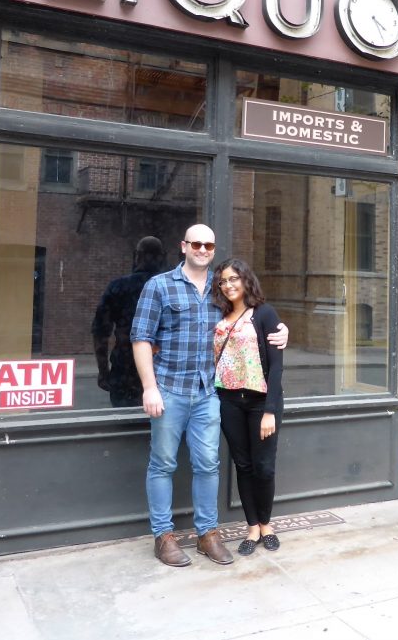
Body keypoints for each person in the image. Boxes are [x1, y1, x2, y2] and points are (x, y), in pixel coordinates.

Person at [130, 224, 288, 567]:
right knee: (163, 464)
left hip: (208, 395)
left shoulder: (219, 295)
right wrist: (149, 387)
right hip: (169, 390)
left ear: (213, 250)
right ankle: (164, 537)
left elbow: (253, 315)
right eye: (196, 243)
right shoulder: (159, 286)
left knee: (208, 465)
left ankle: (207, 534)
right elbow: (140, 338)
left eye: (209, 245)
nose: (202, 249)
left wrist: (281, 330)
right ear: (183, 245)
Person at [212, 258, 284, 555]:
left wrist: (270, 410)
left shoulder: (264, 314)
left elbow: (277, 366)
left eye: (233, 279)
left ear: (245, 280)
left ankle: (267, 525)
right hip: (228, 400)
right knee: (242, 465)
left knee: (263, 467)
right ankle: (252, 527)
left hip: (259, 402)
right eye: (223, 281)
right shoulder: (218, 316)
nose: (228, 285)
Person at [91, 236, 167, 408]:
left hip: (125, 366)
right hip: (163, 367)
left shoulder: (118, 287)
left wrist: (103, 371)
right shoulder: (170, 288)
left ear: (136, 256)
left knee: (125, 426)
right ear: (162, 256)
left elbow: (100, 333)